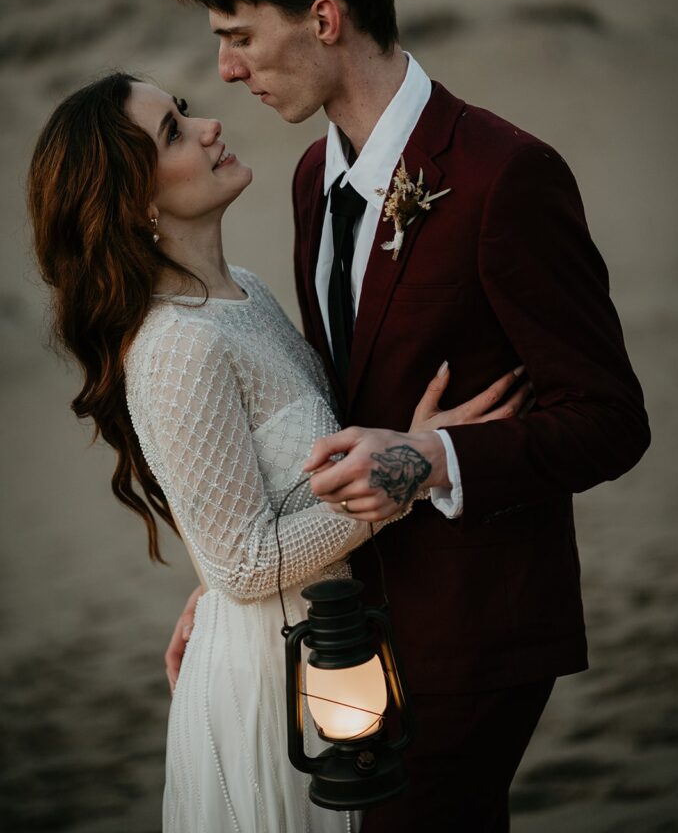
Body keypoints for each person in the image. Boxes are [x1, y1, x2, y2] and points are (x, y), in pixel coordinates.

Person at [164, 0, 650, 831]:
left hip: (477, 627)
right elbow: (344, 407)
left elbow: (607, 421)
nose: (226, 69)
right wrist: (239, 587)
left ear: (325, 19)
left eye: (239, 36)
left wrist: (434, 456)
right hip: (352, 621)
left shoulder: (501, 176)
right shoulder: (310, 178)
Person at [27, 72, 530, 832]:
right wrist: (403, 479)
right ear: (136, 204)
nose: (207, 128)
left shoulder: (247, 296)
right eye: (172, 133)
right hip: (275, 668)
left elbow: (246, 506)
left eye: (185, 112)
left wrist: (402, 447)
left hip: (332, 646)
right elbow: (243, 564)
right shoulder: (175, 347)